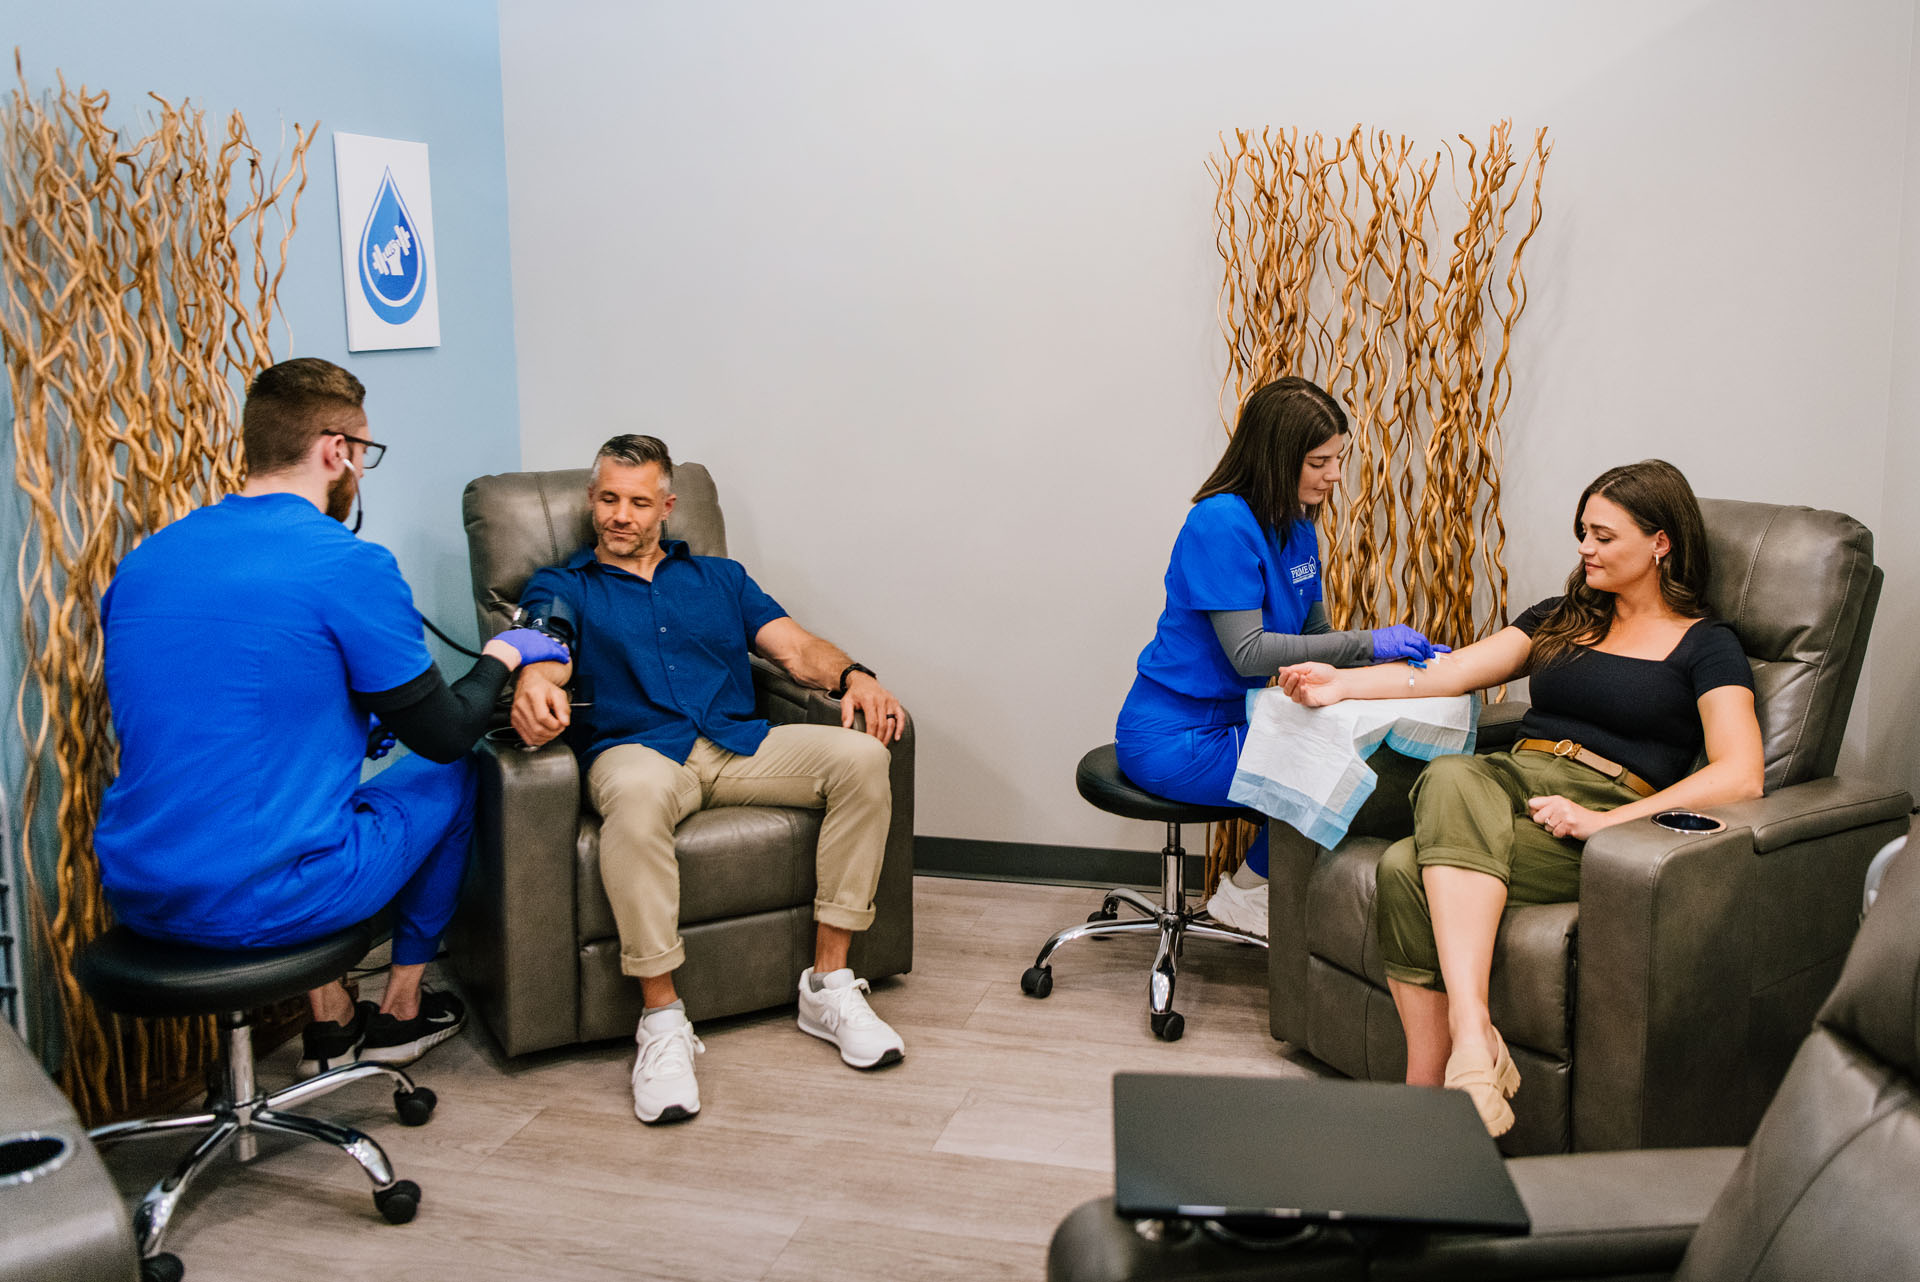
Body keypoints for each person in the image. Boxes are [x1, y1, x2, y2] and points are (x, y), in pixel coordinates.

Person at [94, 358, 569, 1078]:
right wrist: (505, 652)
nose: (360, 475)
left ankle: (331, 1016)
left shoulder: (146, 561)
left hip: (139, 890)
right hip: (266, 902)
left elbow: (226, 713)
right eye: (364, 454)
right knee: (455, 772)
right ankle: (403, 1009)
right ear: (334, 451)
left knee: (310, 795)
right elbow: (443, 730)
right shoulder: (345, 563)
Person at [1279, 458, 1765, 1135]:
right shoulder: (1561, 617)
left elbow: (1741, 773)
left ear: (1660, 543)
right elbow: (1449, 674)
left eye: (1602, 536)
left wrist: (1605, 821)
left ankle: (1427, 1097)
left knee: (1401, 866)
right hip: (1511, 781)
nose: (1584, 550)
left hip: (1600, 811)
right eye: (1582, 533)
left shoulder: (1707, 645)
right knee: (1452, 773)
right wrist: (1340, 685)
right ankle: (1472, 1039)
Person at [509, 434, 908, 1126]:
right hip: (639, 753)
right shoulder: (562, 585)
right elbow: (546, 644)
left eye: (638, 502)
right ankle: (662, 1024)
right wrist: (535, 682)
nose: (621, 515)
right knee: (633, 799)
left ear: (667, 507)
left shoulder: (721, 579)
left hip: (737, 744)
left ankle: (829, 984)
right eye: (608, 499)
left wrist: (855, 675)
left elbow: (797, 649)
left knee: (864, 758)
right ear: (591, 501)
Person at [1115, 376, 1444, 938]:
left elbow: (1315, 637)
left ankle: (1267, 896)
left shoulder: (1296, 527)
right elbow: (1250, 654)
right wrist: (1372, 641)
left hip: (1243, 720)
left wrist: (1394, 671)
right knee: (1342, 773)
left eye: (1338, 459)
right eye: (1320, 462)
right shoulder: (1218, 523)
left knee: (1373, 756)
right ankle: (1246, 894)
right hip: (1178, 736)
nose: (1335, 475)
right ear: (1277, 456)